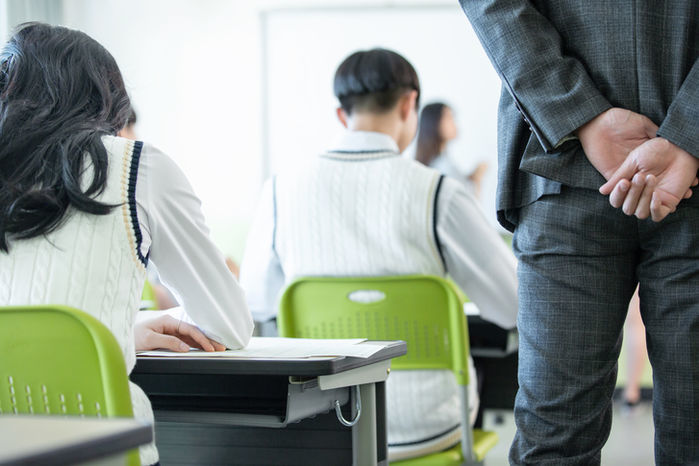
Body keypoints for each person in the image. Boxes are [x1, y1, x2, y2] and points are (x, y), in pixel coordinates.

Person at [239, 48, 517, 461]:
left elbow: (255, 303)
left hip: (327, 419)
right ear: (409, 103)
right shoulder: (438, 192)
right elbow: (514, 305)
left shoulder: (280, 191)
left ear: (340, 114)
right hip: (430, 424)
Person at [0, 23, 254, 466]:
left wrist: (115, 334)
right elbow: (229, 325)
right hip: (101, 446)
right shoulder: (137, 165)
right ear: (106, 100)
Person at [458, 1, 698, 464]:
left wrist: (689, 133)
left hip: (560, 165)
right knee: (554, 437)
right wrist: (585, 118)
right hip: (560, 165)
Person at [415, 102, 488, 198]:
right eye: (449, 117)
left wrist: (471, 177)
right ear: (435, 123)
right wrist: (477, 179)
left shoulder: (440, 163)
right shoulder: (443, 168)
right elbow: (468, 202)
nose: (454, 123)